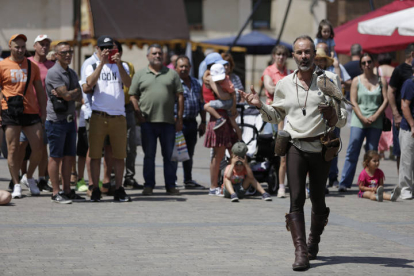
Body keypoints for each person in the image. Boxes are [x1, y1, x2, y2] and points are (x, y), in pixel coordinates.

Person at [241, 35, 347, 271]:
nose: (303, 56)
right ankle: (301, 252)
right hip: (296, 146)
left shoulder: (329, 79)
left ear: (314, 55)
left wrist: (333, 115)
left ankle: (313, 241)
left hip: (321, 147)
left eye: (307, 52)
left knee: (318, 200)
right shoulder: (284, 84)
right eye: (299, 52)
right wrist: (259, 105)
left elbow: (342, 119)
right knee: (296, 199)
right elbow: (276, 115)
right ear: (293, 55)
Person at [129, 44, 183, 196]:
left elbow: (180, 96)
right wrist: (138, 115)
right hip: (147, 123)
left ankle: (171, 185)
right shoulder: (140, 74)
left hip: (168, 123)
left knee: (169, 156)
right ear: (148, 56)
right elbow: (133, 95)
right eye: (154, 53)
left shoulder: (172, 74)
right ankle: (149, 185)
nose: (157, 56)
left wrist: (179, 118)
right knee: (149, 156)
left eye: (160, 53)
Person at [85, 35, 132, 202]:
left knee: (120, 155)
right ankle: (95, 189)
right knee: (96, 155)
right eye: (103, 48)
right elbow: (89, 84)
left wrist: (117, 63)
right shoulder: (92, 65)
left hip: (118, 116)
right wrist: (102, 64)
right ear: (98, 49)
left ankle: (119, 188)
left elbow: (128, 83)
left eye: (110, 48)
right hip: (99, 115)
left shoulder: (123, 65)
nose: (107, 51)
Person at [0, 34, 47, 199]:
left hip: (31, 111)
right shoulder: (3, 65)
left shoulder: (31, 65)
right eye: (17, 47)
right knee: (13, 149)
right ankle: (17, 183)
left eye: (22, 47)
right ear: (10, 47)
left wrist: (44, 111)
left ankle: (29, 176)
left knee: (38, 147)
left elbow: (40, 90)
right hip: (9, 112)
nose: (20, 50)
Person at [338, 53, 388, 192]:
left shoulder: (381, 80)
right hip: (358, 119)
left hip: (375, 120)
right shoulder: (356, 80)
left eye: (369, 62)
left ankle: (370, 183)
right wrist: (361, 117)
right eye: (364, 63)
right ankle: (345, 182)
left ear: (373, 63)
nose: (367, 64)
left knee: (372, 152)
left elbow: (386, 100)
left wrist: (376, 115)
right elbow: (353, 101)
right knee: (352, 150)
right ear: (361, 65)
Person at [45, 41, 84, 203]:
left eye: (70, 52)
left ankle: (67, 190)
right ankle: (56, 192)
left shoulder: (72, 73)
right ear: (56, 55)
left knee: (69, 157)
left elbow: (79, 93)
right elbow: (68, 96)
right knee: (55, 157)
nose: (68, 55)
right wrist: (69, 93)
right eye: (64, 53)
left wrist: (70, 92)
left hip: (69, 121)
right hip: (56, 121)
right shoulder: (54, 73)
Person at [17, 34, 55, 193]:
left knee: (42, 147)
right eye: (41, 44)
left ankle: (41, 179)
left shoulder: (52, 65)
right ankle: (20, 178)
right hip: (26, 110)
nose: (44, 47)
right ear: (34, 46)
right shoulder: (26, 63)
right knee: (21, 146)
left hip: (45, 112)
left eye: (47, 44)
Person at [315, 43, 351, 188]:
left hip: (333, 114)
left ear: (326, 60)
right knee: (318, 150)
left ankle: (333, 176)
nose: (319, 62)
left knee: (333, 146)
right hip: (318, 118)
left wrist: (336, 66)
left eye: (322, 59)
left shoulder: (333, 72)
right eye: (316, 59)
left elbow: (344, 85)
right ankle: (320, 182)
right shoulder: (310, 73)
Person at [262, 44, 292, 198]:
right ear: (274, 56)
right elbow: (270, 88)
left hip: (288, 114)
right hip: (272, 113)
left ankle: (286, 183)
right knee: (274, 147)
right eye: (278, 54)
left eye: (283, 55)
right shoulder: (269, 71)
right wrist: (286, 87)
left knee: (288, 149)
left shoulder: (290, 72)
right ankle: (277, 181)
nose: (281, 57)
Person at [173, 55, 206, 189]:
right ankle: (172, 181)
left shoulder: (196, 83)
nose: (184, 69)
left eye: (186, 66)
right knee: (175, 153)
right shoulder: (173, 83)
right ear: (176, 68)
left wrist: (203, 121)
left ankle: (188, 180)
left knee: (189, 153)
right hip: (177, 123)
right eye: (181, 66)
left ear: (190, 68)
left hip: (192, 123)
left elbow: (202, 103)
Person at [113, 40, 142, 189]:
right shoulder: (103, 66)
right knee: (112, 146)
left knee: (131, 146)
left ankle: (129, 177)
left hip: (127, 109)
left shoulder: (128, 66)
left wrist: (137, 109)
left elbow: (132, 88)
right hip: (111, 111)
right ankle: (112, 178)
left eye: (115, 50)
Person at [387, 43, 414, 172]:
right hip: (402, 118)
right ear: (412, 54)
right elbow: (390, 91)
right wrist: (396, 114)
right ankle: (401, 183)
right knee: (401, 152)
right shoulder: (400, 70)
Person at [204, 62, 241, 139]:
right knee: (233, 122)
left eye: (220, 78)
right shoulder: (220, 80)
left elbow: (233, 93)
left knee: (206, 106)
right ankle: (240, 139)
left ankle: (220, 119)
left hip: (228, 102)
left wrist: (234, 107)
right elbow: (207, 73)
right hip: (227, 102)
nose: (219, 81)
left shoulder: (227, 82)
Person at [376, 53, 395, 159]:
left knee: (382, 123)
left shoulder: (378, 70)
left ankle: (381, 150)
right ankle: (391, 143)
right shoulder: (394, 70)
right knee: (391, 122)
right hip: (392, 99)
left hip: (382, 100)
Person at [398, 74, 414, 200]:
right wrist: (412, 125)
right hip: (409, 129)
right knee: (407, 161)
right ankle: (405, 189)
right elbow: (405, 106)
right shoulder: (409, 83)